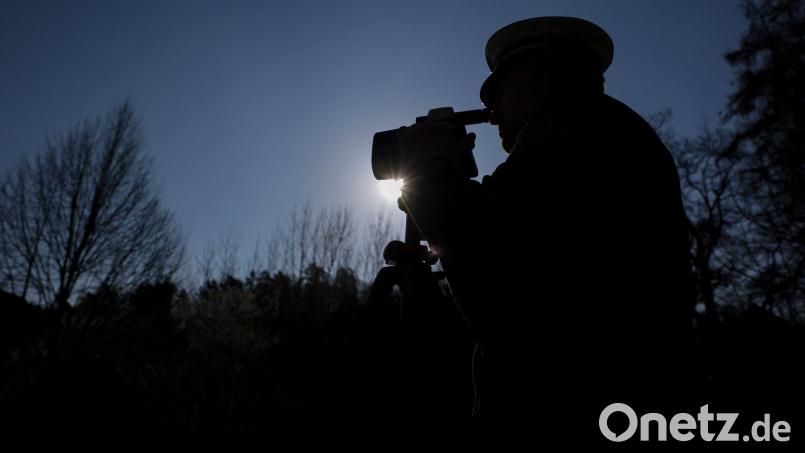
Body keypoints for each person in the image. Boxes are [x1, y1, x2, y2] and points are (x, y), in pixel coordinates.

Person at [397, 16, 695, 433]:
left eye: (498, 89)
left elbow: (507, 288)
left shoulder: (578, 132)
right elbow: (520, 243)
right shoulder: (596, 133)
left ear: (546, 76)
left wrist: (428, 174)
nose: (491, 108)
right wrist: (453, 182)